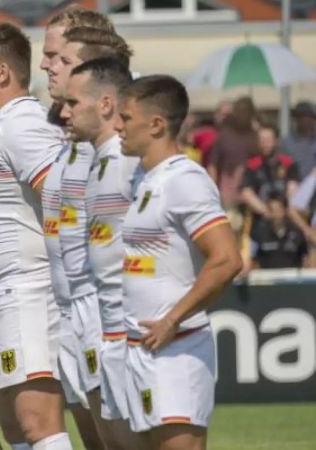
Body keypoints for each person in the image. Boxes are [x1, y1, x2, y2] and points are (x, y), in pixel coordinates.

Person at [0, 22, 71, 450]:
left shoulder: (22, 124)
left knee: (36, 421)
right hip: (0, 293)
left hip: (26, 290)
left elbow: (60, 197)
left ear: (2, 74)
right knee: (13, 423)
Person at [116, 75, 242, 450]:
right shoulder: (142, 177)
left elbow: (226, 260)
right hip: (142, 349)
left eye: (125, 118)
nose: (118, 126)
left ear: (156, 125)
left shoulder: (185, 179)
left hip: (178, 349)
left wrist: (172, 319)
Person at [37, 8, 114, 450]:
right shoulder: (69, 132)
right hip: (69, 309)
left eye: (57, 57)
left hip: (103, 309)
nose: (46, 65)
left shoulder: (122, 125)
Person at [60, 56, 141, 449]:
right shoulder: (97, 162)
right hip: (98, 318)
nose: (63, 110)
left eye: (73, 103)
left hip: (129, 326)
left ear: (106, 104)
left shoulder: (131, 161)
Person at [207, 97, 259, 233]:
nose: (244, 115)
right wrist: (214, 191)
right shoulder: (224, 136)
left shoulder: (255, 136)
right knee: (231, 230)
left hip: (251, 194)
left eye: (247, 111)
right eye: (241, 111)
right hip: (227, 194)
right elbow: (213, 164)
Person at [241, 124, 300, 227]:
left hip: (287, 220)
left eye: (268, 139)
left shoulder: (288, 163)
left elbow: (293, 190)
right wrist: (267, 212)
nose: (265, 144)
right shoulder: (252, 165)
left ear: (276, 140)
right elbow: (247, 193)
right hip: (261, 223)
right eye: (261, 140)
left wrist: (286, 212)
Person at [249, 194, 308, 269]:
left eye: (278, 210)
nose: (276, 214)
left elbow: (305, 258)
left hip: (293, 278)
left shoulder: (297, 233)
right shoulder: (258, 234)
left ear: (285, 210)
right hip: (267, 278)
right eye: (272, 210)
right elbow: (253, 260)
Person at [281, 101, 316, 176]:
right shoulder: (287, 143)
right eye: (302, 117)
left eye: (310, 117)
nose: (306, 121)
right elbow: (283, 168)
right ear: (296, 119)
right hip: (296, 185)